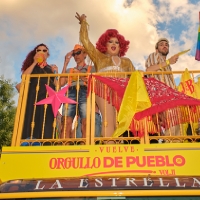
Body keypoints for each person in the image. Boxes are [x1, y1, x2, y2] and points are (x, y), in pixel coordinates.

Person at [75, 13, 135, 139]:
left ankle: (119, 148)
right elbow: (86, 42)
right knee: (108, 118)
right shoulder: (99, 57)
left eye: (117, 42)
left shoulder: (127, 62)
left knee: (119, 121)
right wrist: (83, 24)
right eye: (110, 41)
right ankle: (109, 147)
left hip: (122, 92)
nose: (114, 44)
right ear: (105, 45)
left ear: (121, 46)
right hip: (103, 89)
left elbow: (134, 79)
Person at [21, 44, 58, 140]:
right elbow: (24, 77)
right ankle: (29, 142)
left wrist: (56, 73)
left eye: (44, 50)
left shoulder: (50, 68)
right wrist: (34, 62)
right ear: (35, 53)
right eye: (39, 50)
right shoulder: (32, 67)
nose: (41, 52)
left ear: (47, 54)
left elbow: (57, 86)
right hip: (33, 97)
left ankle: (46, 144)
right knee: (31, 118)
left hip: (48, 98)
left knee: (47, 121)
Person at [145, 38, 180, 138]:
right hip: (162, 94)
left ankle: (173, 143)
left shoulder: (168, 65)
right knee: (173, 120)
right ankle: (172, 145)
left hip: (171, 94)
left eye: (166, 45)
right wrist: (168, 62)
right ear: (156, 49)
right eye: (161, 44)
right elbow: (148, 70)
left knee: (174, 122)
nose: (165, 46)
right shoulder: (154, 55)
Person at [60, 44, 96, 139]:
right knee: (66, 122)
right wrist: (65, 63)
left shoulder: (91, 68)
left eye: (78, 53)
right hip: (70, 92)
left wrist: (82, 76)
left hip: (85, 92)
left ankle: (86, 149)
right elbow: (61, 83)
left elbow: (95, 83)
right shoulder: (69, 70)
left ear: (85, 54)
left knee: (86, 122)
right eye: (74, 54)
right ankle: (63, 149)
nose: (76, 56)